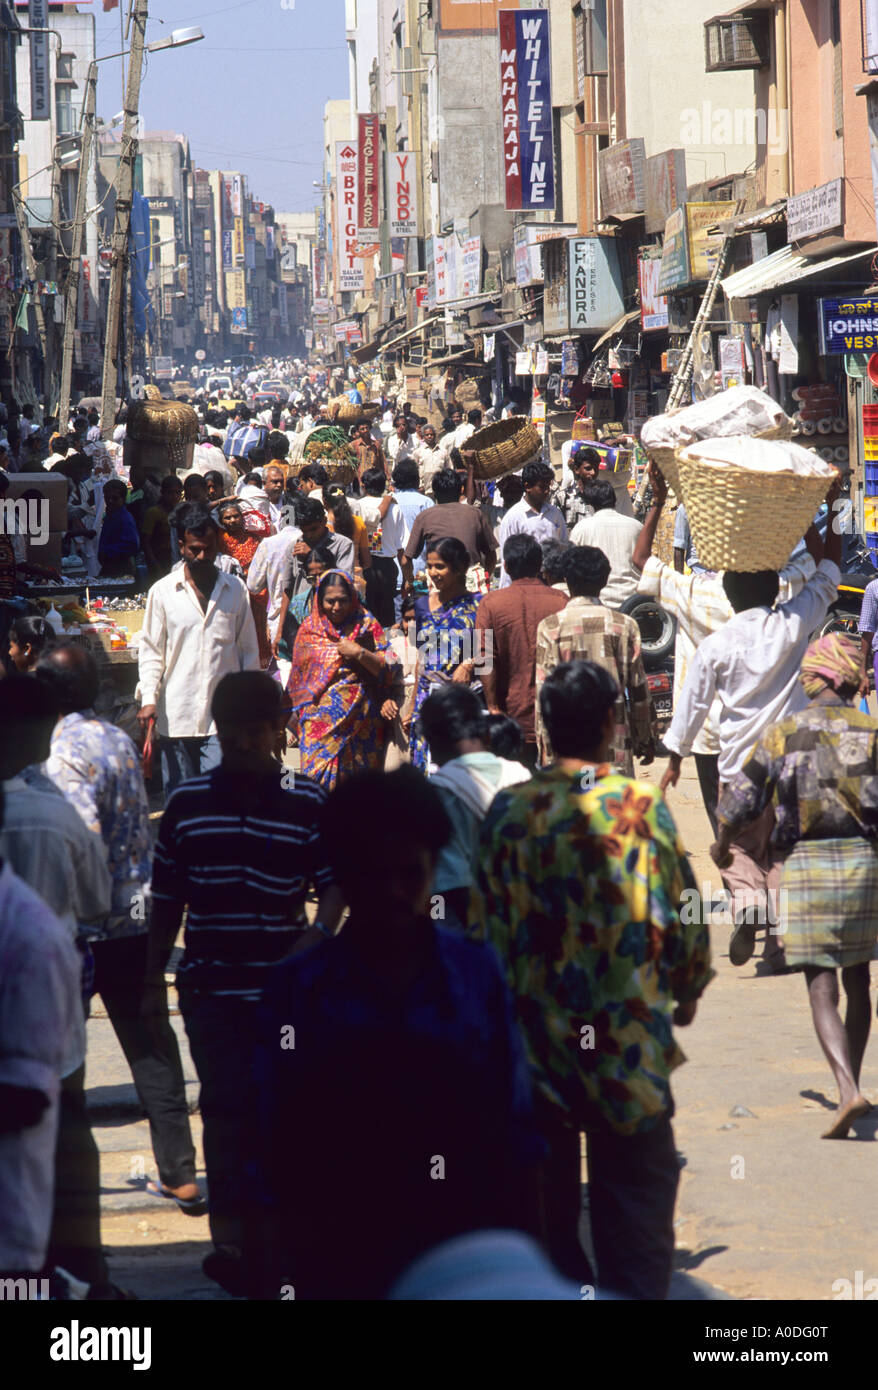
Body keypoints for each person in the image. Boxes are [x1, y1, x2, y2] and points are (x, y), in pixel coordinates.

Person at [254, 765, 544, 1301]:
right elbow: (276, 1146)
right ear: (343, 875)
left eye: (409, 874)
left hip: (466, 1245)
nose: (393, 893)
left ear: (434, 867)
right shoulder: (299, 991)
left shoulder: (476, 974)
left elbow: (516, 1127)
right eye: (372, 875)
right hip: (342, 1253)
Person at [471, 659, 714, 1297]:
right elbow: (683, 906)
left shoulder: (511, 812)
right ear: (611, 723)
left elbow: (481, 928)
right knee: (636, 1198)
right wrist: (686, 988)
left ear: (545, 728)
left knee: (542, 1211)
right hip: (624, 1041)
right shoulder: (640, 807)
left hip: (535, 1047)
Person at [148, 671, 343, 1293]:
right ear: (219, 733)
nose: (247, 744)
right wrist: (151, 976)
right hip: (210, 992)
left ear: (277, 731)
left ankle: (286, 1241)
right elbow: (165, 901)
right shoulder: (185, 804)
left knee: (283, 1114)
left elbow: (334, 882)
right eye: (234, 735)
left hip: (285, 993)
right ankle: (231, 1246)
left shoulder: (306, 799)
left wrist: (318, 938)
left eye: (257, 732)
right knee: (227, 1111)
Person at [37, 643, 201, 1213]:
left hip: (87, 929)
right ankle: (180, 1171)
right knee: (153, 1048)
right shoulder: (115, 739)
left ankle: (66, 1184)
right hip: (137, 918)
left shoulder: (61, 753)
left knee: (65, 1062)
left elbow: (78, 839)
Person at [661, 483, 840, 969]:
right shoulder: (791, 624)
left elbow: (693, 705)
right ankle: (779, 945)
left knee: (738, 847)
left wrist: (675, 756)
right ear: (773, 590)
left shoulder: (717, 646)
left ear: (730, 593)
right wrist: (816, 511)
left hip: (738, 764)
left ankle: (748, 907)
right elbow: (828, 573)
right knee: (782, 850)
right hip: (790, 764)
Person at [714, 634, 878, 1139]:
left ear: (812, 678)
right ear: (849, 677)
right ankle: (851, 1083)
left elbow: (740, 803)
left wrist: (722, 845)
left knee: (820, 986)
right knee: (858, 982)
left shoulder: (783, 734)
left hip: (805, 865)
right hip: (863, 863)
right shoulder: (873, 733)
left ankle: (845, 1087)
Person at [0, 676, 116, 1294]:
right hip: (51, 1017)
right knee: (68, 1137)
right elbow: (98, 900)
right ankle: (80, 1266)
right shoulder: (56, 814)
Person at [137, 502, 261, 799]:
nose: (202, 556)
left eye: (208, 548)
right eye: (194, 549)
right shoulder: (163, 592)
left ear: (217, 544)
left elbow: (248, 651)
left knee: (220, 801)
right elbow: (152, 651)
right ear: (181, 546)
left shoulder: (235, 590)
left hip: (222, 719)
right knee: (181, 802)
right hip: (175, 715)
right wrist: (149, 699)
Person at [535, 545, 656, 774]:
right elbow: (639, 689)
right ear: (604, 581)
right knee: (611, 807)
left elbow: (543, 694)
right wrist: (645, 737)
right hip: (615, 745)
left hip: (569, 752)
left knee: (583, 805)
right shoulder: (624, 625)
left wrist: (546, 747)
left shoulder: (550, 627)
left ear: (566, 579)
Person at [418, 684, 530, 928]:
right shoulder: (522, 777)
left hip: (468, 933)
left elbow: (444, 889)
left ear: (432, 743)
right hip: (524, 923)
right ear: (486, 734)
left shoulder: (436, 793)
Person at [287, 568, 397, 789]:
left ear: (353, 598)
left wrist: (359, 652)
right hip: (318, 726)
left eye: (343, 601)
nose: (336, 608)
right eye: (330, 601)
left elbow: (391, 668)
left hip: (361, 723)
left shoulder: (367, 624)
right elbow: (298, 682)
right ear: (319, 599)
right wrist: (284, 725)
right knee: (314, 789)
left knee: (357, 796)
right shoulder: (310, 630)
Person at [474, 534, 567, 767]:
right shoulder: (562, 601)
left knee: (518, 793)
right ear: (540, 565)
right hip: (556, 716)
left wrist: (493, 706)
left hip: (512, 716)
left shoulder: (490, 603)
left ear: (505, 566)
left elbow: (484, 658)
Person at [408, 537, 481, 772]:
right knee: (425, 766)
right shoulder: (421, 606)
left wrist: (468, 665)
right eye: (429, 566)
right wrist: (411, 705)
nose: (432, 572)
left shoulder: (479, 604)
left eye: (440, 566)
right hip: (426, 699)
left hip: (460, 700)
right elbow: (421, 657)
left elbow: (487, 647)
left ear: (459, 568)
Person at [401, 470, 497, 597]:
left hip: (439, 590)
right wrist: (483, 577)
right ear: (461, 489)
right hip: (472, 589)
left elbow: (405, 561)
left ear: (434, 493)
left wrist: (411, 582)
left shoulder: (424, 517)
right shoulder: (475, 513)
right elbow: (491, 555)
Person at [569, 480, 642, 608]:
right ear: (614, 500)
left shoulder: (581, 529)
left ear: (590, 504)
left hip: (597, 603)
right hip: (634, 603)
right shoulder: (637, 527)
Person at [216, 498, 271, 666]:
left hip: (256, 593)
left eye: (236, 516)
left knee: (258, 628)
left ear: (242, 517)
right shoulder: (218, 540)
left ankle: (262, 663)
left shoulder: (254, 538)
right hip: (231, 591)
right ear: (221, 521)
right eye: (227, 518)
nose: (232, 520)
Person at [497, 460, 567, 588]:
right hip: (525, 582)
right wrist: (507, 590)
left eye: (548, 487)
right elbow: (506, 557)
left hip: (552, 581)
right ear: (528, 486)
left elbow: (563, 545)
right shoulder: (513, 517)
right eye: (542, 487)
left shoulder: (554, 513)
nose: (547, 491)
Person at [354, 466, 406, 628]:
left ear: (363, 485)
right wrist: (406, 576)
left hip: (362, 566)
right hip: (387, 569)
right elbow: (401, 547)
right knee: (386, 615)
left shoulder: (357, 506)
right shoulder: (394, 508)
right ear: (384, 485)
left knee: (364, 613)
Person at [324, 483, 371, 587]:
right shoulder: (358, 522)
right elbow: (367, 561)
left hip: (329, 583)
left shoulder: (322, 527)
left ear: (324, 502)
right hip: (356, 581)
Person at [141, 474, 183, 586]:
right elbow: (146, 542)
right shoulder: (154, 513)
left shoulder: (181, 512)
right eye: (170, 492)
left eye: (177, 493)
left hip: (177, 559)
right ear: (163, 492)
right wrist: (155, 565)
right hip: (159, 560)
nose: (174, 496)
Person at [97, 478, 139, 578]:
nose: (110, 501)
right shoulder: (110, 516)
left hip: (121, 568)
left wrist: (108, 551)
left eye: (115, 498)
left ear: (123, 499)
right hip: (109, 567)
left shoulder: (125, 518)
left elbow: (133, 544)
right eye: (107, 498)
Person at [551, 445, 600, 531]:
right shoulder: (562, 497)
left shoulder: (601, 495)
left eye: (596, 468)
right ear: (576, 469)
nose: (593, 472)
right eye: (588, 468)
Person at [413, 424, 449, 494]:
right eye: (427, 435)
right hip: (424, 490)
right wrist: (419, 486)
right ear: (423, 437)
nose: (429, 436)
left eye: (431, 434)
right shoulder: (417, 452)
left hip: (440, 490)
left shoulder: (443, 451)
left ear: (435, 436)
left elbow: (449, 469)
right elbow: (414, 471)